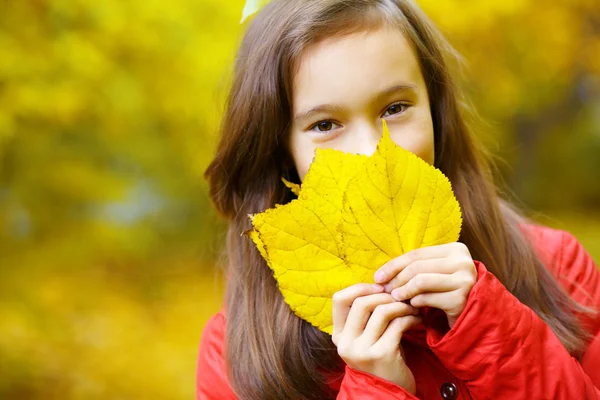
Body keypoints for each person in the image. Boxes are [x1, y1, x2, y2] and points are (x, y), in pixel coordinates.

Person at [197, 0, 600, 398]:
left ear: (436, 113)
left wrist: (490, 329)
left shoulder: (556, 268)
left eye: (394, 108)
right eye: (325, 124)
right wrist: (376, 388)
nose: (373, 151)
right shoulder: (236, 357)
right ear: (279, 149)